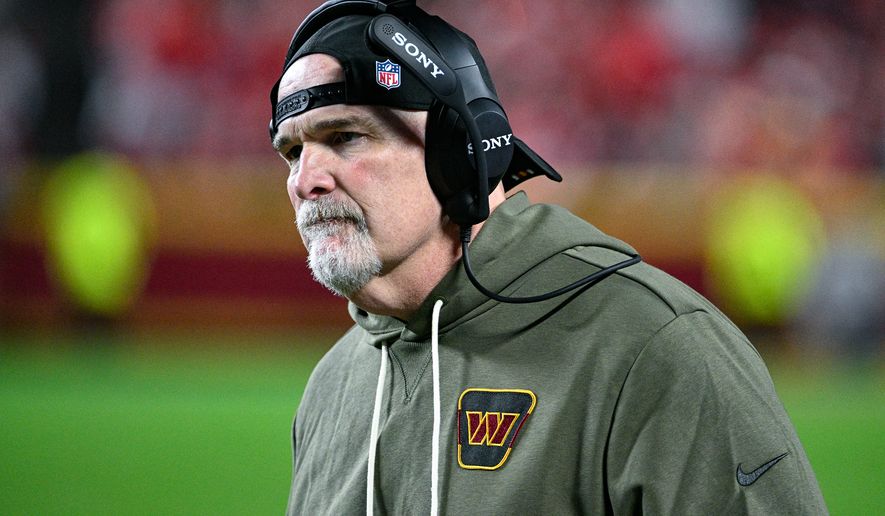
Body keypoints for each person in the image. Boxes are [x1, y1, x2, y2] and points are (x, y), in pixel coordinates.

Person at [268, 1, 827, 514]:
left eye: (345, 137)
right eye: (292, 152)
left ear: (462, 152)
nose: (306, 181)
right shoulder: (332, 386)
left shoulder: (655, 349)